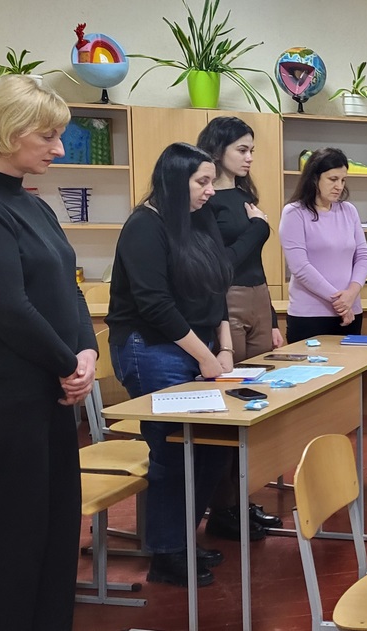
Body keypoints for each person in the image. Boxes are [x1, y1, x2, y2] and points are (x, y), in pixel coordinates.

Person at [0, 75, 96, 631]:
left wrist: (86, 352)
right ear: (8, 132)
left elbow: (69, 287)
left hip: (48, 389)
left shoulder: (31, 203)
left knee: (54, 528)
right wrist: (68, 365)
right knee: (9, 538)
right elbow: (8, 309)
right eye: (47, 137)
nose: (59, 149)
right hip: (3, 395)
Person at [106, 142, 235, 587]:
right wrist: (205, 356)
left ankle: (182, 540)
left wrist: (224, 350)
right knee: (173, 450)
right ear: (175, 182)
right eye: (202, 182)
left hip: (199, 349)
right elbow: (155, 304)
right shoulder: (144, 226)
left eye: (211, 181)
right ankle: (166, 554)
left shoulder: (199, 219)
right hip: (151, 348)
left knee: (214, 445)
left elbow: (218, 289)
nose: (210, 190)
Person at [195, 116, 281, 540]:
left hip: (258, 298)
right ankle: (224, 507)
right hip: (227, 299)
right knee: (232, 405)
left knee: (257, 404)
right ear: (218, 150)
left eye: (251, 151)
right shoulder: (207, 200)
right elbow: (223, 263)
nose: (249, 158)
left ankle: (242, 500)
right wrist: (260, 228)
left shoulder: (245, 195)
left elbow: (255, 263)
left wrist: (274, 319)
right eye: (241, 150)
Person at [279, 148, 367, 342]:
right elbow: (300, 267)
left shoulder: (349, 211)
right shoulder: (294, 213)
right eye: (333, 179)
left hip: (350, 311)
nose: (339, 186)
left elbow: (363, 256)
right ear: (314, 178)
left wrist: (351, 294)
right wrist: (339, 301)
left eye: (343, 180)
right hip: (310, 316)